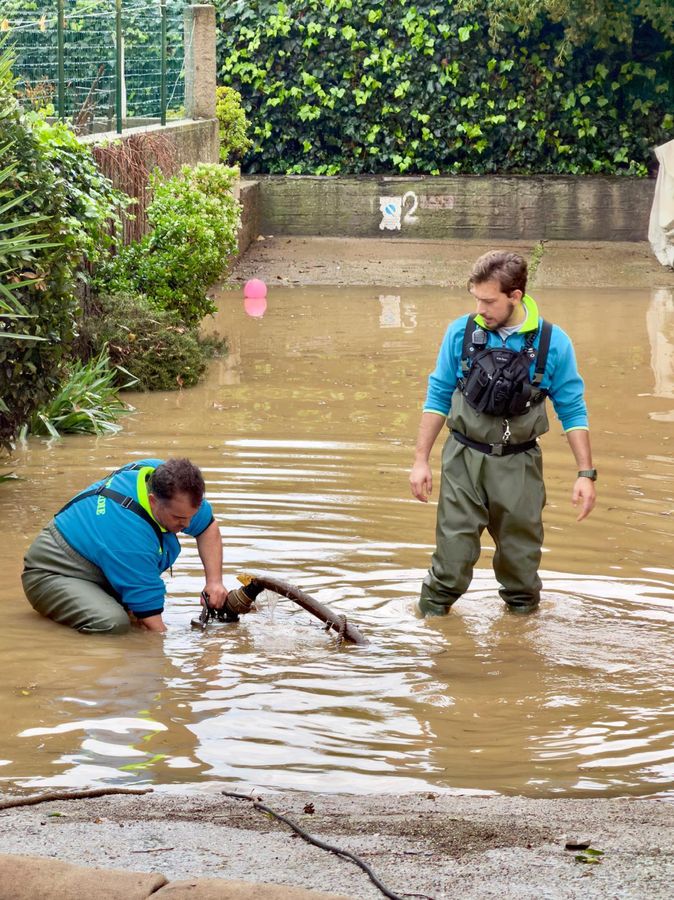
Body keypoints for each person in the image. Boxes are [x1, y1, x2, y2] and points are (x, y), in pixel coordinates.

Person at [409, 250, 596, 615]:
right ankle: (428, 637)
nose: (480, 308)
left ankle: (522, 643)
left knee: (521, 571)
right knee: (450, 562)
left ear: (515, 296)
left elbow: (572, 409)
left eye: (489, 300)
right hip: (463, 458)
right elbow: (438, 394)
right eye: (476, 298)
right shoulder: (460, 333)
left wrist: (585, 474)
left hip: (520, 463)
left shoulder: (553, 343)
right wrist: (420, 461)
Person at [22, 457, 254, 634]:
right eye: (179, 519)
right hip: (54, 571)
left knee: (132, 611)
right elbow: (153, 624)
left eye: (191, 516)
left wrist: (214, 582)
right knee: (113, 623)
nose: (187, 525)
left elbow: (207, 528)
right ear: (154, 501)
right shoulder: (129, 533)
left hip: (100, 559)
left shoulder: (173, 486)